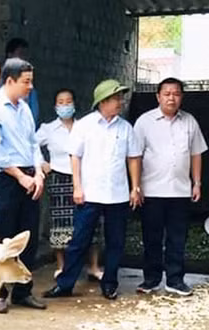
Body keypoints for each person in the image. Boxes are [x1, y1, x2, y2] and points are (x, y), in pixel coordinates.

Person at [44, 79, 141, 301]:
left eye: (120, 98)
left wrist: (135, 187)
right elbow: (74, 157)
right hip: (90, 193)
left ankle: (110, 283)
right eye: (116, 98)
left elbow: (133, 158)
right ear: (103, 101)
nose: (120, 102)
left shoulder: (125, 128)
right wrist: (77, 186)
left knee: (115, 242)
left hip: (117, 194)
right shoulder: (84, 126)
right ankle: (65, 284)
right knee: (79, 240)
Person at [0, 57, 47, 314]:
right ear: (10, 81)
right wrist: (20, 176)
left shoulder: (25, 109)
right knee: (3, 235)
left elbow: (33, 144)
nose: (30, 87)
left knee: (26, 234)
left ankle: (23, 291)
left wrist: (38, 172)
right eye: (26, 82)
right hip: (7, 179)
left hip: (30, 177)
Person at [133, 77, 208, 296]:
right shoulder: (144, 122)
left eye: (176, 93)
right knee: (152, 238)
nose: (171, 98)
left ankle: (175, 280)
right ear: (158, 96)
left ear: (181, 97)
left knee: (178, 238)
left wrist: (197, 183)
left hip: (180, 190)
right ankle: (151, 279)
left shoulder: (189, 121)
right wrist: (136, 186)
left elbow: (196, 154)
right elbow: (135, 156)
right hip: (152, 190)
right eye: (166, 93)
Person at [36, 88, 103, 281]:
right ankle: (61, 266)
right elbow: (30, 144)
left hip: (84, 178)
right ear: (55, 106)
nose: (65, 105)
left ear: (75, 104)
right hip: (59, 178)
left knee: (91, 222)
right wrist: (42, 164)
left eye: (68, 101)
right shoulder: (48, 129)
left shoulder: (85, 126)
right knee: (60, 224)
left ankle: (93, 266)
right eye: (61, 102)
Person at [5, 38, 40, 125]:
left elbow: (34, 113)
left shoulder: (29, 85)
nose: (24, 58)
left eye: (26, 55)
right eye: (21, 54)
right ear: (10, 55)